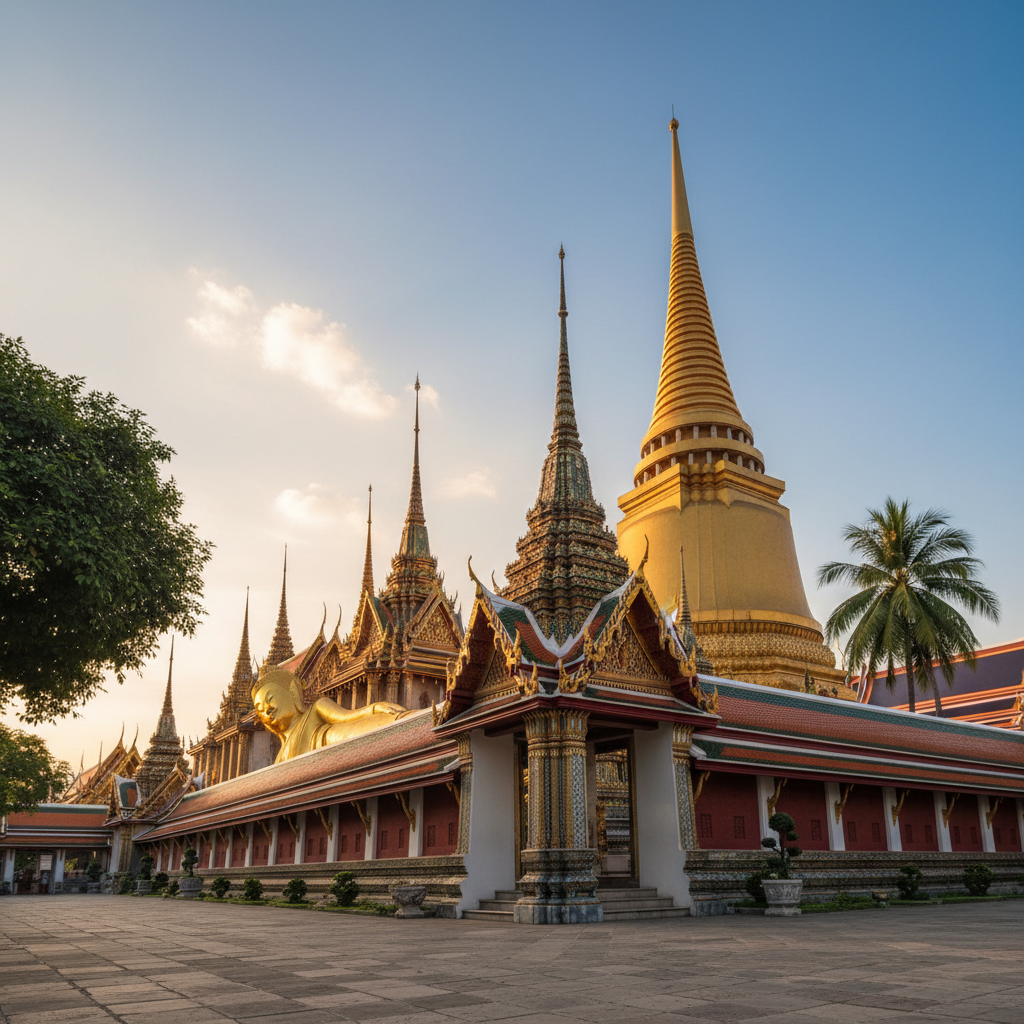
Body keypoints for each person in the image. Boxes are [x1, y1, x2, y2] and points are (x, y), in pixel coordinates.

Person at [252, 669, 410, 762]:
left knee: (396, 726)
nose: (267, 709)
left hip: (344, 740)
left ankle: (413, 720)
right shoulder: (280, 757)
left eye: (270, 698)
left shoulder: (316, 708)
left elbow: (349, 717)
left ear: (293, 693)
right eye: (260, 709)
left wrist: (374, 708)